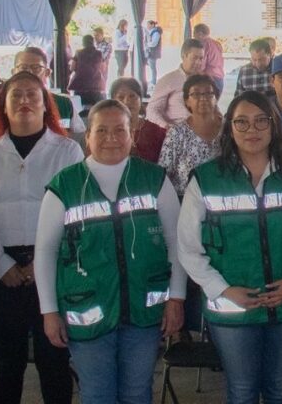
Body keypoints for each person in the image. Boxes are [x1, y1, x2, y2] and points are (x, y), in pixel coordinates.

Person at [34, 100, 186, 404]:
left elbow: (177, 242)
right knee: (98, 394)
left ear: (133, 135)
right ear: (87, 136)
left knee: (137, 392)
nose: (111, 138)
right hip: (87, 312)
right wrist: (49, 312)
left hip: (143, 312)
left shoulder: (154, 179)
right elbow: (46, 252)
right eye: (101, 130)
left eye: (120, 130)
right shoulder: (65, 185)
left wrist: (176, 299)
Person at [178, 91, 282, 404]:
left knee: (279, 391)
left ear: (273, 126)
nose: (251, 130)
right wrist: (225, 290)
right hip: (232, 310)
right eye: (241, 123)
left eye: (260, 121)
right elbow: (188, 248)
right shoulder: (206, 179)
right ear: (229, 128)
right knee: (241, 391)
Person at [0, 71, 82, 404]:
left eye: (32, 94)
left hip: (52, 267)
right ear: (2, 105)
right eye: (15, 94)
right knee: (7, 362)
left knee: (54, 359)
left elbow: (75, 214)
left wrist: (40, 264)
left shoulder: (67, 151)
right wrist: (2, 264)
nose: (24, 101)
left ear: (46, 105)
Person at [156, 75, 223, 197]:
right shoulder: (177, 133)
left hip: (222, 198)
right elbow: (163, 175)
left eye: (209, 93)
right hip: (184, 201)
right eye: (196, 94)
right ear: (187, 101)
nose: (203, 98)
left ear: (216, 98)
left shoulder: (229, 129)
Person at [5, 47, 83, 135]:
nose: (29, 73)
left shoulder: (64, 105)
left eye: (36, 68)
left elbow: (80, 137)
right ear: (13, 72)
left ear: (47, 73)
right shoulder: (0, 105)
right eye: (23, 68)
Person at [146, 39, 207, 127]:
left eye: (201, 58)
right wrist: (167, 127)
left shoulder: (205, 81)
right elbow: (152, 110)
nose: (198, 62)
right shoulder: (168, 80)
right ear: (184, 56)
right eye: (194, 58)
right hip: (178, 133)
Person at [108, 77, 167, 163]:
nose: (127, 101)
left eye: (132, 96)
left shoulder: (157, 132)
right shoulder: (105, 131)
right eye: (121, 97)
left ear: (141, 99)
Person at [68, 34, 107, 109]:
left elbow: (72, 68)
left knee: (79, 109)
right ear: (93, 42)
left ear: (83, 43)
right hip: (96, 86)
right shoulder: (99, 53)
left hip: (80, 86)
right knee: (97, 109)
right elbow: (103, 68)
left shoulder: (78, 52)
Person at [191, 23, 226, 96]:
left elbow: (201, 65)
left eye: (194, 33)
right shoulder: (217, 43)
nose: (193, 36)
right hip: (219, 78)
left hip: (209, 79)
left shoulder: (204, 44)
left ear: (200, 34)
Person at [144, 20, 162, 89]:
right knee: (152, 67)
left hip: (153, 52)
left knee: (152, 67)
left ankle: (153, 81)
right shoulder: (152, 32)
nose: (147, 26)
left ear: (152, 25)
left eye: (148, 25)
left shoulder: (156, 33)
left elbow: (154, 43)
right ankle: (152, 81)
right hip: (150, 52)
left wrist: (147, 44)